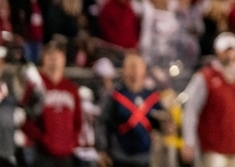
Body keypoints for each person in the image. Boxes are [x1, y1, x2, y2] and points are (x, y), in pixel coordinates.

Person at [181, 33, 235, 167]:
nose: (230, 54)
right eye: (226, 50)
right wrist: (189, 141)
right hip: (211, 146)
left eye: (233, 50)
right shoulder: (205, 77)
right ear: (218, 51)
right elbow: (191, 110)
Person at [95, 53, 164, 167]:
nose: (135, 72)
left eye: (138, 67)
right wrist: (102, 149)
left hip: (146, 157)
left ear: (144, 70)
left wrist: (160, 131)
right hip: (119, 156)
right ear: (124, 70)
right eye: (131, 67)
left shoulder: (152, 96)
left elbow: (161, 121)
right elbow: (102, 123)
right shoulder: (115, 95)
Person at [23, 39, 84, 167]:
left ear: (64, 58)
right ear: (43, 57)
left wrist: (72, 142)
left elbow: (78, 121)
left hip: (66, 155)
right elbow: (26, 118)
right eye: (50, 54)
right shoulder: (36, 86)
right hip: (42, 155)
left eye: (58, 55)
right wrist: (42, 139)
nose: (54, 58)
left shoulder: (71, 88)